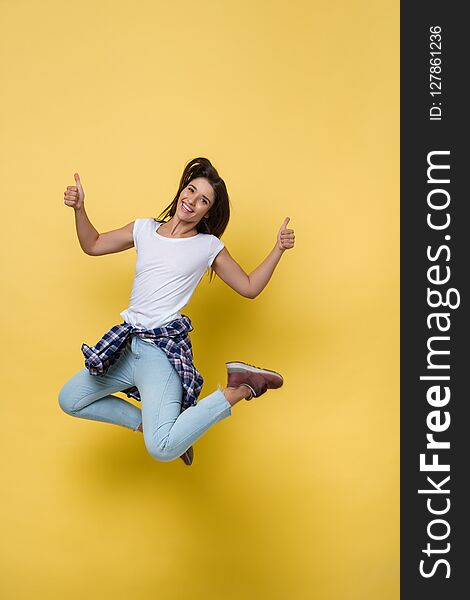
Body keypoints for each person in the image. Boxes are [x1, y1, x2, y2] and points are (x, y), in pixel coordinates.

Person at [58, 157, 295, 466]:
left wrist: (278, 249)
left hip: (161, 354)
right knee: (70, 400)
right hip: (129, 349)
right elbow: (93, 243)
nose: (192, 201)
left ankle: (239, 387)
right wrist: (79, 209)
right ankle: (164, 429)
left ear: (207, 211)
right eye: (191, 190)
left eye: (203, 200)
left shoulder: (207, 246)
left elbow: (249, 287)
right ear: (182, 189)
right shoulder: (144, 229)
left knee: (161, 449)